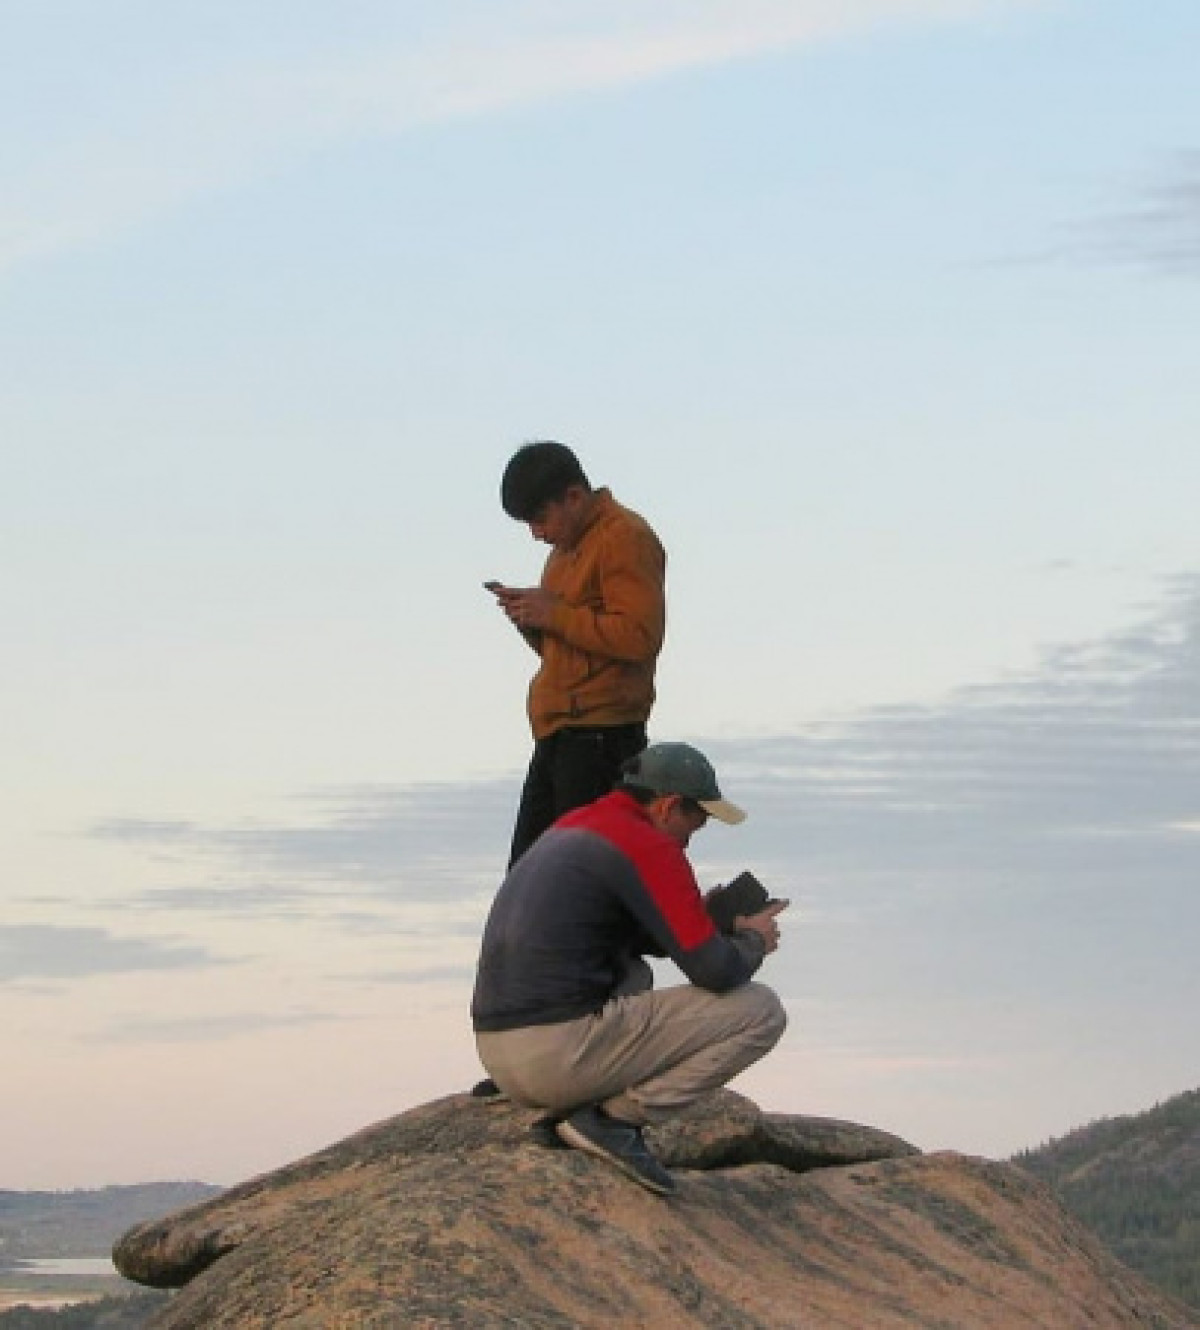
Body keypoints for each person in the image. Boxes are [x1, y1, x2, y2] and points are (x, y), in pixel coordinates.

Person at [470, 742, 789, 1196]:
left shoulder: (572, 827)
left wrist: (710, 917)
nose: (695, 833)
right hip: (557, 1055)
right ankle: (611, 1122)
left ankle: (572, 1103)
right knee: (761, 1011)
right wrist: (754, 941)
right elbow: (714, 972)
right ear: (668, 806)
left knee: (635, 974)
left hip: (502, 1057)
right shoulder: (649, 845)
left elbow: (635, 939)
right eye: (697, 818)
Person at [486, 441, 666, 868]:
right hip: (561, 733)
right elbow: (572, 648)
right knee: (531, 877)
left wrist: (555, 614)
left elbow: (639, 636)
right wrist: (533, 621)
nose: (537, 533)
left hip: (601, 735)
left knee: (576, 876)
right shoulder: (562, 555)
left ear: (574, 497)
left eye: (540, 519)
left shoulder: (624, 536)